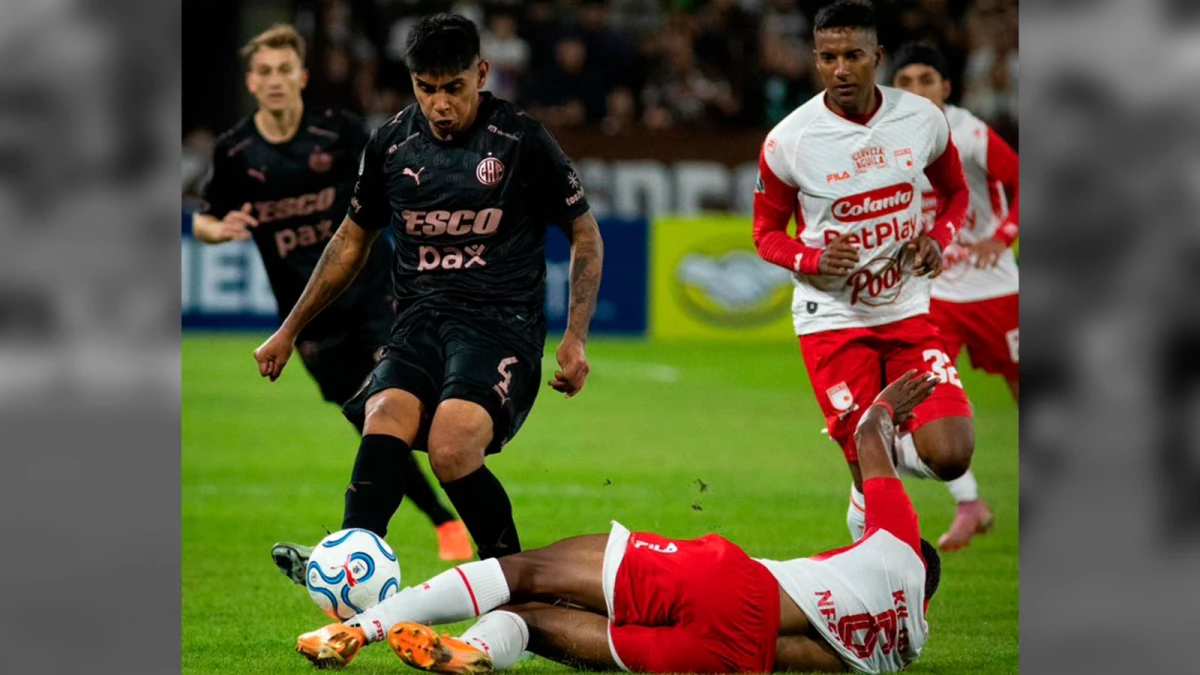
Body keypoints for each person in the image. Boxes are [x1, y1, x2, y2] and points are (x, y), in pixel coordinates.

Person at [294, 370, 942, 674]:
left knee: (528, 572)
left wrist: (884, 405)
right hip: (733, 660)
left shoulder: (898, 549)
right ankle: (480, 651)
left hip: (731, 584)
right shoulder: (902, 647)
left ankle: (357, 629)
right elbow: (797, 656)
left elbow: (867, 437)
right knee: (538, 622)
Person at [252, 14, 604, 565]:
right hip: (417, 325)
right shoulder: (392, 144)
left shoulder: (521, 140)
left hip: (498, 325)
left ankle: (511, 586)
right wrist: (288, 330)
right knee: (384, 412)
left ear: (482, 73)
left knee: (451, 445)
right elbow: (349, 241)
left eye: (454, 89)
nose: (440, 104)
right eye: (426, 89)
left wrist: (575, 336)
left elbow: (585, 233)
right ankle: (348, 574)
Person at [194, 24, 471, 569]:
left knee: (388, 406)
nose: (275, 81)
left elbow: (387, 183)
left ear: (301, 76)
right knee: (373, 423)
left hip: (376, 297)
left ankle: (381, 543)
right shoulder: (235, 151)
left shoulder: (338, 132)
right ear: (251, 82)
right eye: (264, 72)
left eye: (283, 70)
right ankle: (437, 523)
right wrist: (216, 229)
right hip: (310, 323)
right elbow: (203, 217)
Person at [751, 1, 980, 550]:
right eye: (828, 57)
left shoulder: (922, 119)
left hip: (906, 312)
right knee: (870, 476)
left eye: (853, 55)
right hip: (831, 319)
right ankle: (879, 573)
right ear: (815, 59)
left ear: (877, 56)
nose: (841, 69)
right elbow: (765, 234)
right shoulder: (791, 140)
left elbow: (955, 194)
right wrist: (811, 260)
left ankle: (882, 445)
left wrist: (936, 239)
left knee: (950, 455)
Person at [891, 41, 1018, 550]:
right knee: (924, 401)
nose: (916, 90)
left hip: (997, 290)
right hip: (933, 294)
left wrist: (1001, 236)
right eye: (905, 81)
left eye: (927, 79)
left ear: (946, 87)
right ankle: (969, 503)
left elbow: (1019, 179)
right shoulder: (884, 138)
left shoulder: (968, 133)